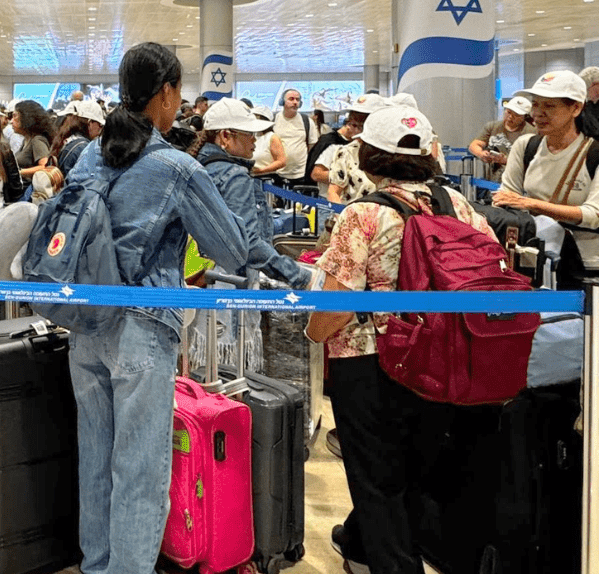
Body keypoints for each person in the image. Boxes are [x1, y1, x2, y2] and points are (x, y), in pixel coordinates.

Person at [66, 42, 250, 573]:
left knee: (95, 459)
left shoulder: (88, 155)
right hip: (143, 327)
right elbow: (231, 250)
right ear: (167, 93)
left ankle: (97, 566)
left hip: (85, 322)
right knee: (141, 472)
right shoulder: (175, 166)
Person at [306, 104, 494, 574]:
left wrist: (311, 333)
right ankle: (357, 545)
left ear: (368, 155)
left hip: (369, 360)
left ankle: (394, 564)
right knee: (411, 469)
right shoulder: (458, 205)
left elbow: (338, 304)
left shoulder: (363, 214)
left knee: (376, 479)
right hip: (440, 353)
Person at [194, 98, 311, 371]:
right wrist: (299, 276)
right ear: (226, 136)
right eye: (248, 134)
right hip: (230, 282)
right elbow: (248, 243)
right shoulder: (234, 175)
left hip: (200, 279)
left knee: (205, 369)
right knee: (232, 369)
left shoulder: (199, 166)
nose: (254, 141)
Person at [494, 70, 599, 290]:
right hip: (533, 258)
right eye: (535, 105)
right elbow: (506, 198)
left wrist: (531, 204)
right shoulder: (526, 146)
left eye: (549, 106)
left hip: (587, 267)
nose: (538, 114)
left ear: (576, 108)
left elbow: (593, 215)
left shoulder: (593, 153)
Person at [310, 95, 380, 198]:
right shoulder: (337, 147)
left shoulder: (380, 152)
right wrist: (344, 176)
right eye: (353, 125)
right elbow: (317, 175)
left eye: (360, 126)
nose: (354, 130)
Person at [468, 96, 533, 183]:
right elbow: (474, 145)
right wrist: (481, 154)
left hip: (518, 182)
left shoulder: (532, 133)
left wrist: (506, 161)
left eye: (516, 115)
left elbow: (532, 161)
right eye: (508, 112)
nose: (510, 117)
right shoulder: (492, 127)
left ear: (524, 117)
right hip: (493, 180)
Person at [273, 89, 319, 185]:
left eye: (297, 100)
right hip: (278, 173)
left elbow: (312, 147)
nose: (295, 102)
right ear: (282, 102)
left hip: (301, 174)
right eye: (291, 99)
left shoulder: (306, 121)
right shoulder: (274, 120)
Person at [50, 99, 105, 179]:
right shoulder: (83, 147)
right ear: (90, 123)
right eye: (100, 124)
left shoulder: (69, 139)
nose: (100, 128)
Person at [12, 100, 54, 179]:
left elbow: (45, 167)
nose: (11, 121)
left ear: (26, 118)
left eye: (15, 116)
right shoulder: (27, 139)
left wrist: (18, 172)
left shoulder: (37, 140)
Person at [249, 105, 287, 177]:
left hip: (266, 177)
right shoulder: (252, 136)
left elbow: (281, 161)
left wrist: (260, 171)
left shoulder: (272, 137)